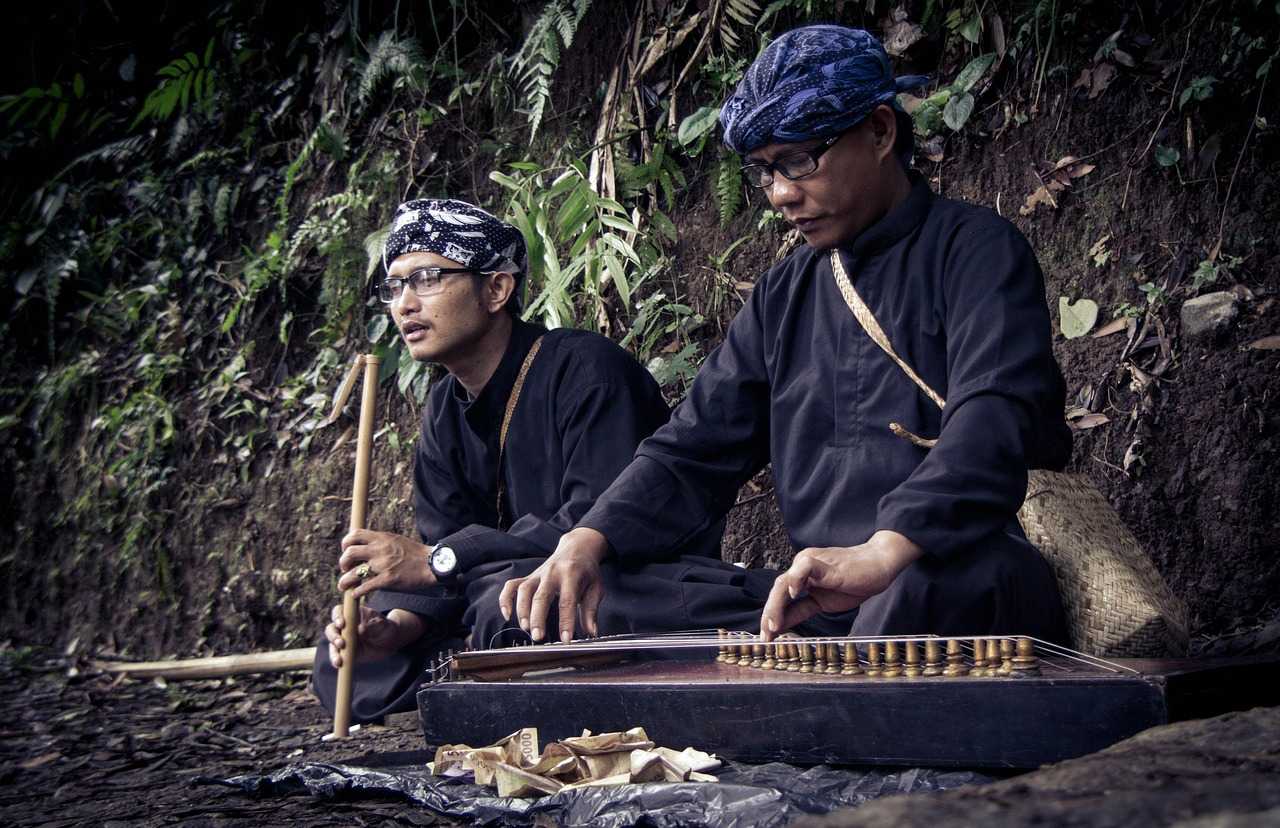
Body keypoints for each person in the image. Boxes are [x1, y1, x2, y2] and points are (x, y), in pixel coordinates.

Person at [500, 25, 1072, 647]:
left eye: (798, 160)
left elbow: (993, 415)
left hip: (944, 570)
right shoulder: (783, 293)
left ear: (880, 131)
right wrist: (588, 538)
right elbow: (694, 447)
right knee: (602, 596)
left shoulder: (977, 250)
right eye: (763, 172)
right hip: (819, 596)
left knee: (927, 589)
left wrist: (885, 552)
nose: (780, 194)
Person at [313, 199, 831, 724]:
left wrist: (447, 561)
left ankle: (488, 663)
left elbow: (601, 522)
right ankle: (478, 660)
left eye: (425, 279)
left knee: (503, 603)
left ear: (496, 289)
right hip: (500, 592)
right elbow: (442, 560)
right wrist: (398, 625)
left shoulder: (585, 368)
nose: (404, 304)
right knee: (347, 653)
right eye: (394, 287)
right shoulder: (444, 408)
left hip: (626, 580)